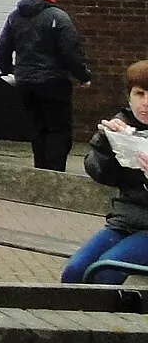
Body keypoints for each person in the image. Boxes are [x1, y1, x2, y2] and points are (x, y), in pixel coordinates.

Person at [62, 60, 148, 283]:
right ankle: (73, 319)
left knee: (106, 271)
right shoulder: (122, 124)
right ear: (129, 96)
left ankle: (107, 318)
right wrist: (106, 143)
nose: (145, 103)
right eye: (140, 94)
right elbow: (101, 174)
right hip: (124, 222)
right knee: (74, 271)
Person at [0, 0, 90, 170]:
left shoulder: (15, 16)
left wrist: (10, 71)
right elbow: (70, 52)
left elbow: (1, 50)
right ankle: (54, 178)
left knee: (37, 130)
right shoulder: (58, 18)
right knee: (57, 131)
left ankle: (40, 174)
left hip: (25, 83)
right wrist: (83, 76)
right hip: (54, 83)